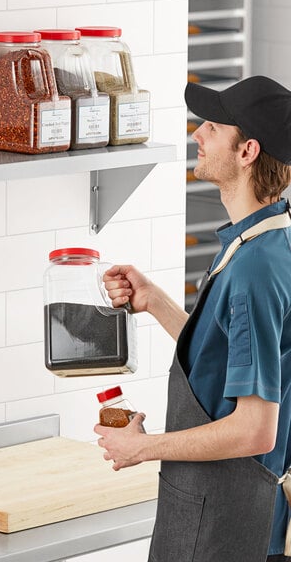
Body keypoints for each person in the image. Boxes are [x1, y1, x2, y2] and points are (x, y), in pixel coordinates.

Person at [95, 75, 291, 562]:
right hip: (215, 514)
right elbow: (228, 360)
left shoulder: (254, 271)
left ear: (247, 151)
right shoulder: (264, 244)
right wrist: (155, 301)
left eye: (212, 126)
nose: (196, 135)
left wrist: (141, 448)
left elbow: (254, 429)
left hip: (230, 528)